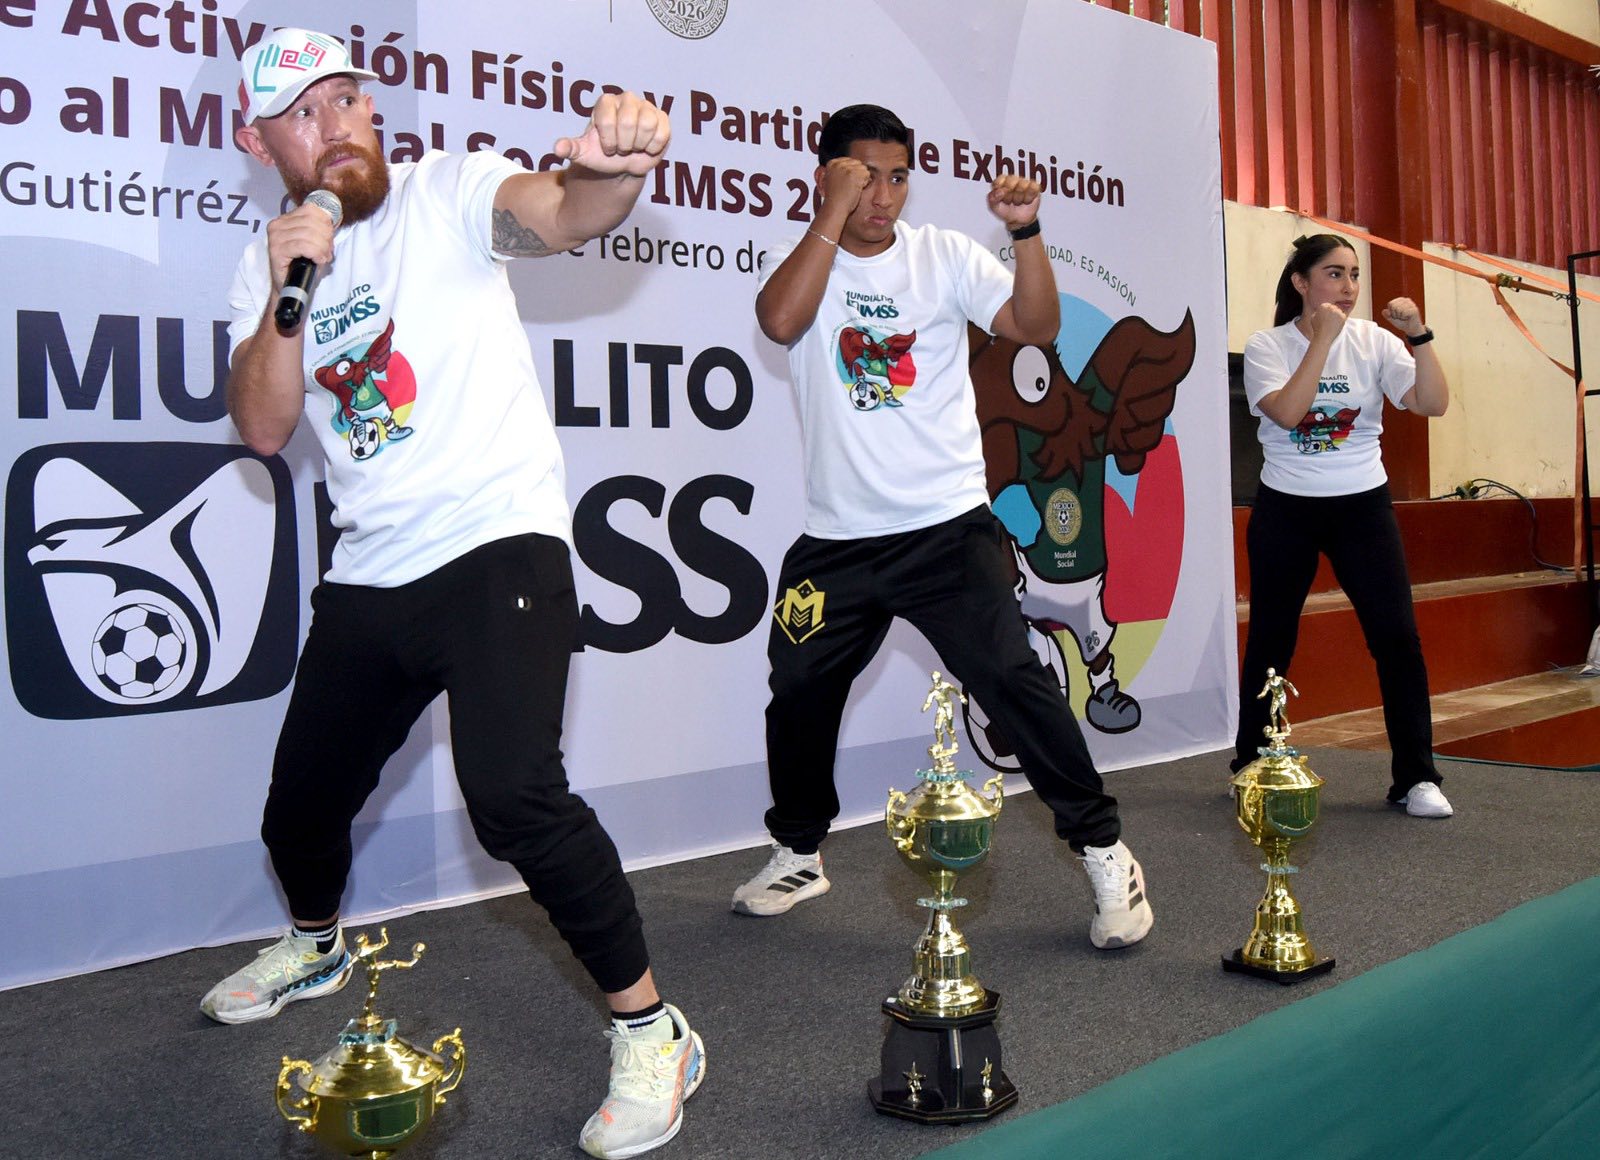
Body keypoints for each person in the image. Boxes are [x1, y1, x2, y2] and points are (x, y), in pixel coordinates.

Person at [201, 28, 702, 1158]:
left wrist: (616, 171)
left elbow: (561, 213)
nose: (337, 125)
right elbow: (266, 425)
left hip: (495, 545)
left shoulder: (446, 190)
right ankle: (317, 945)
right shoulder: (265, 265)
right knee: (297, 812)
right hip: (373, 570)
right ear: (261, 143)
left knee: (513, 795)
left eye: (347, 99)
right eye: (304, 114)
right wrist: (288, 286)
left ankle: (652, 1028)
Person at [733, 104, 1154, 949]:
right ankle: (799, 852)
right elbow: (780, 323)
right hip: (837, 540)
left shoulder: (944, 256)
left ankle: (1105, 850)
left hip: (946, 529)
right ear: (827, 178)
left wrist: (1026, 232)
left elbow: (1035, 326)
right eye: (863, 178)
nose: (882, 197)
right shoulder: (801, 259)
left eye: (896, 178)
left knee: (1013, 682)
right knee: (798, 692)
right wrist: (830, 213)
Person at [1233, 233, 1453, 819]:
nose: (1349, 286)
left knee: (1397, 639)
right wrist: (1322, 341)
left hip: (1363, 507)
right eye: (1334, 274)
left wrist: (1419, 337)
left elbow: (1431, 403)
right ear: (1301, 283)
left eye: (1354, 274)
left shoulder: (1375, 342)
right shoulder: (1266, 345)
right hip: (1287, 507)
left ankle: (1416, 778)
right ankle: (1253, 763)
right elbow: (1287, 413)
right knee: (1272, 640)